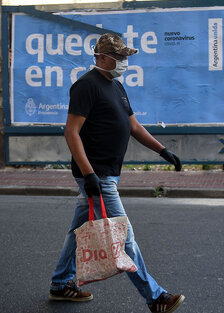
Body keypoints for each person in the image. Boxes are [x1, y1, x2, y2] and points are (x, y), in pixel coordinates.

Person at [48, 33, 185, 313]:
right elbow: (71, 132)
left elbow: (134, 126)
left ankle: (60, 284)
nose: (123, 62)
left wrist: (163, 151)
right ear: (101, 57)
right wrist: (88, 175)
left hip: (107, 173)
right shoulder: (86, 86)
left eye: (125, 57)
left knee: (78, 231)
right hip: (97, 175)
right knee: (124, 237)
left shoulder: (117, 86)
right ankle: (155, 296)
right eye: (118, 57)